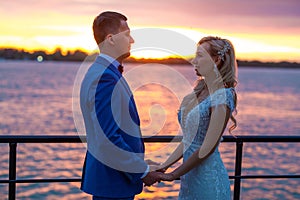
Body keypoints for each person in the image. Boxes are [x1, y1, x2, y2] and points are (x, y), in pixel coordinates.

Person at [79, 11, 162, 200]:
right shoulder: (106, 78)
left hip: (114, 179)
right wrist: (142, 171)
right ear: (111, 39)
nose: (131, 40)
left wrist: (142, 165)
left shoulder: (102, 72)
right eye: (126, 34)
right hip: (112, 181)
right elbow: (108, 138)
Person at [155, 36, 238, 199]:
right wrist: (163, 167)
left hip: (208, 180)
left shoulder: (223, 95)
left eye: (200, 56)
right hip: (189, 179)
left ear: (216, 60)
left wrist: (173, 175)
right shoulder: (198, 92)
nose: (194, 61)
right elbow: (187, 141)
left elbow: (208, 147)